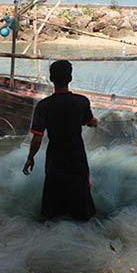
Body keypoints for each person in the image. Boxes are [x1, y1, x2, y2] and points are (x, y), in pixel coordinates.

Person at [22, 60, 99, 221]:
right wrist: (95, 123)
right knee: (81, 196)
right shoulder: (81, 102)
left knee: (53, 198)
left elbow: (37, 138)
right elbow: (91, 122)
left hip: (55, 157)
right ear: (70, 78)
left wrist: (30, 158)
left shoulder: (44, 106)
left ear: (51, 78)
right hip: (76, 155)